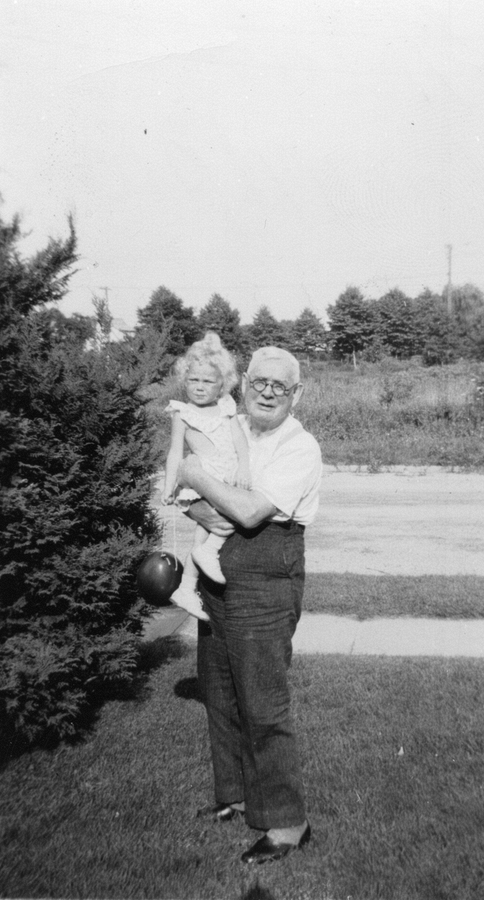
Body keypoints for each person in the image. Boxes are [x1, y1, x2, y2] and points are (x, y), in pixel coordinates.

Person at [175, 345, 322, 864]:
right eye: (258, 381)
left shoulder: (299, 447)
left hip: (266, 570)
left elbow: (252, 511)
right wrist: (200, 504)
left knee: (263, 701)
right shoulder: (226, 428)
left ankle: (287, 823)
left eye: (278, 386)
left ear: (295, 394)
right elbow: (185, 496)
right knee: (220, 690)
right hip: (219, 567)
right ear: (243, 384)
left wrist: (197, 478)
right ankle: (234, 797)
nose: (265, 392)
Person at [161, 333, 251, 621]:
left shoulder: (226, 407)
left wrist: (245, 466)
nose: (200, 387)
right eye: (194, 380)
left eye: (208, 382)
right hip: (204, 475)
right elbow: (175, 452)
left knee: (205, 530)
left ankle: (186, 588)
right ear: (184, 379)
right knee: (218, 524)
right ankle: (208, 554)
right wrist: (167, 484)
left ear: (222, 384)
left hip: (227, 474)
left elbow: (239, 442)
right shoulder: (182, 412)